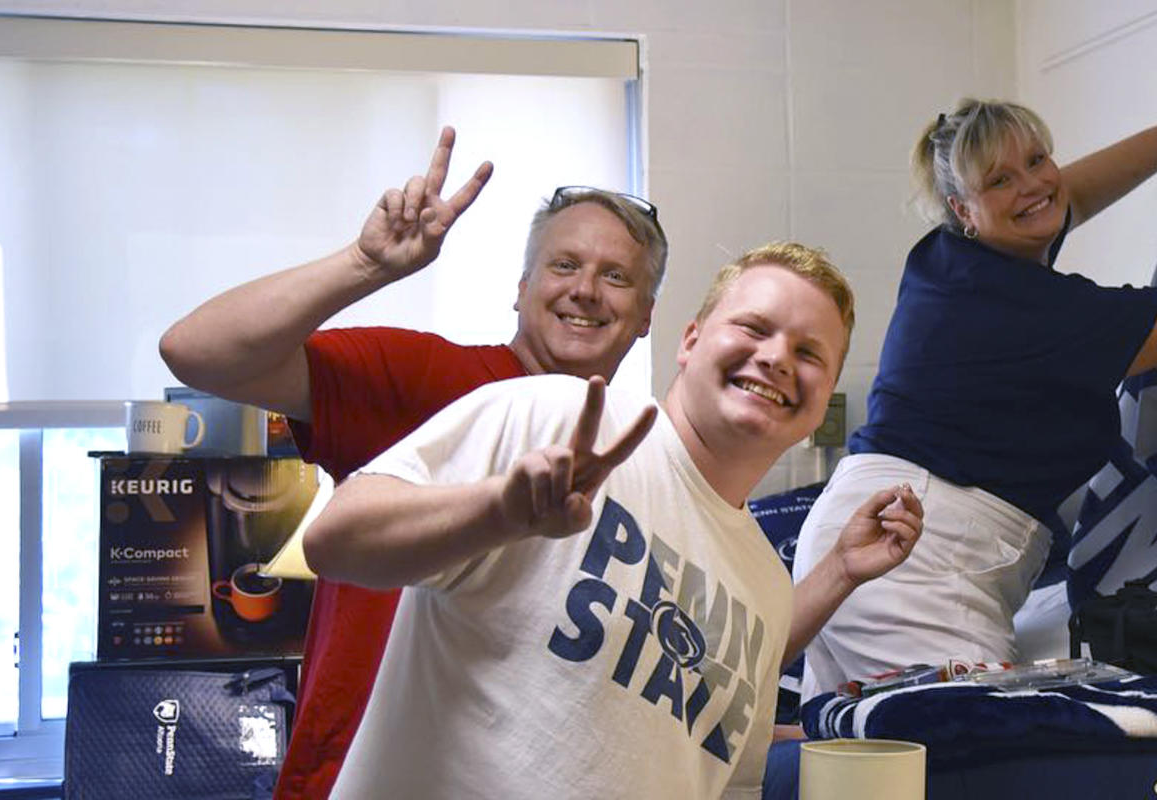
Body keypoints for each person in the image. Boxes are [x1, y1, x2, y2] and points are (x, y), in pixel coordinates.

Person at [789, 32, 1157, 696]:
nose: (1031, 186)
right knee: (969, 755)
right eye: (1001, 178)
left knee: (863, 760)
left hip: (869, 529)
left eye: (1037, 158)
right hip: (918, 556)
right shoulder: (1030, 309)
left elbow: (1065, 193)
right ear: (964, 209)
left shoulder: (950, 256)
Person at [304, 244, 924, 799]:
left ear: (825, 401)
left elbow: (729, 781)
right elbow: (335, 540)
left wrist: (841, 569)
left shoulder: (764, 580)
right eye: (754, 327)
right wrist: (498, 512)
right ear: (689, 341)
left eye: (808, 352)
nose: (776, 358)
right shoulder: (556, 416)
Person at [158, 128, 666, 798]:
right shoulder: (432, 381)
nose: (586, 290)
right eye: (564, 266)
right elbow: (197, 350)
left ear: (646, 315)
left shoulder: (644, 460)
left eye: (615, 276)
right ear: (521, 288)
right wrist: (366, 266)